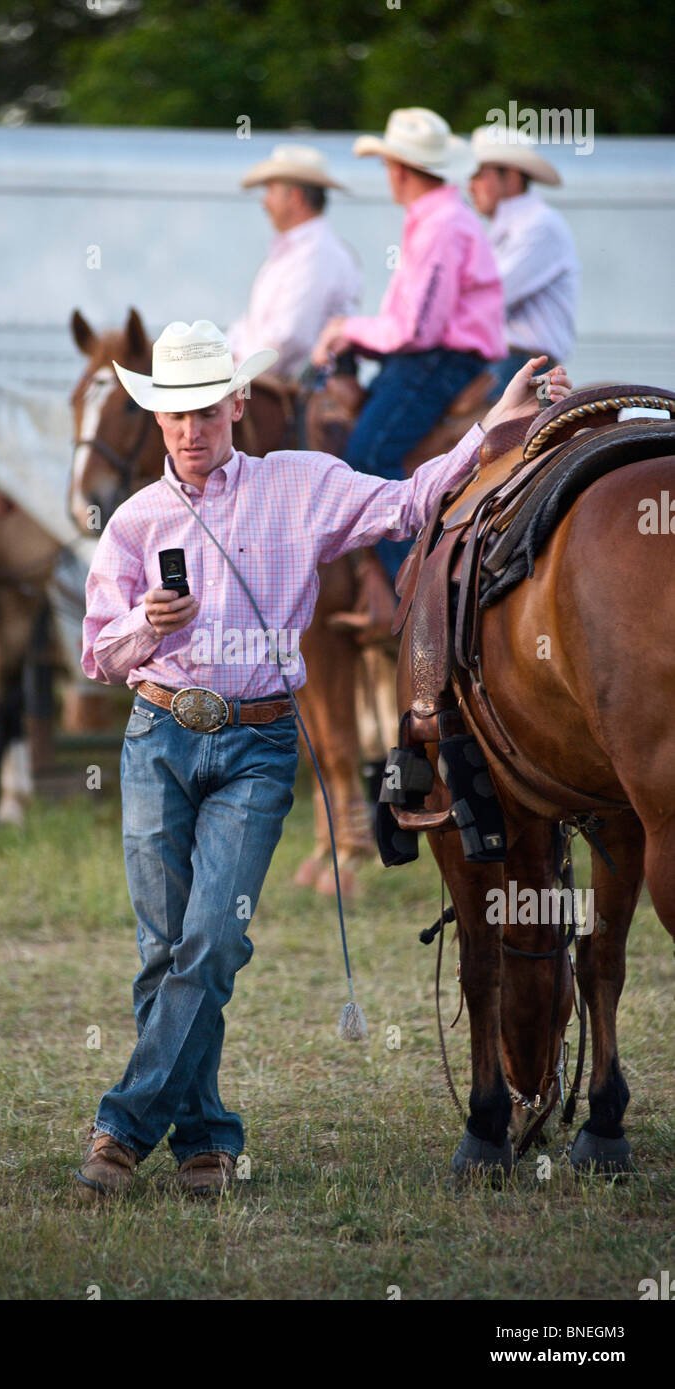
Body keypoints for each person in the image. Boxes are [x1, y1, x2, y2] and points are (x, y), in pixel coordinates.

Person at [76, 317, 570, 1200]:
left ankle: (121, 1125)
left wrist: (491, 424)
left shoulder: (298, 485)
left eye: (206, 410)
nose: (193, 430)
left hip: (260, 743)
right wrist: (138, 628)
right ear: (156, 421)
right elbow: (95, 655)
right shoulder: (134, 522)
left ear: (237, 404)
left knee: (214, 939)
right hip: (157, 736)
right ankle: (207, 1139)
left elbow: (411, 503)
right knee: (165, 950)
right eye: (175, 415)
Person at [312, 108, 506, 586]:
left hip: (436, 362)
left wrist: (347, 330)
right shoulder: (438, 218)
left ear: (398, 169)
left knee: (367, 457)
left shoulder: (441, 224)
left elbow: (418, 328)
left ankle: (413, 592)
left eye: (387, 167)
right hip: (429, 360)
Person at [226, 144, 362, 379]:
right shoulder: (302, 251)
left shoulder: (317, 253)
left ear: (296, 197)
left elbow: (290, 338)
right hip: (283, 382)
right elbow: (258, 328)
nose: (264, 202)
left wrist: (234, 370)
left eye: (270, 190)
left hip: (303, 387)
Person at [468, 124, 581, 397]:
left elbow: (491, 294)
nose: (471, 185)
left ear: (513, 176)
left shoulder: (539, 225)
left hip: (525, 367)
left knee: (455, 431)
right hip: (510, 364)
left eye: (481, 173)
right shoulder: (516, 227)